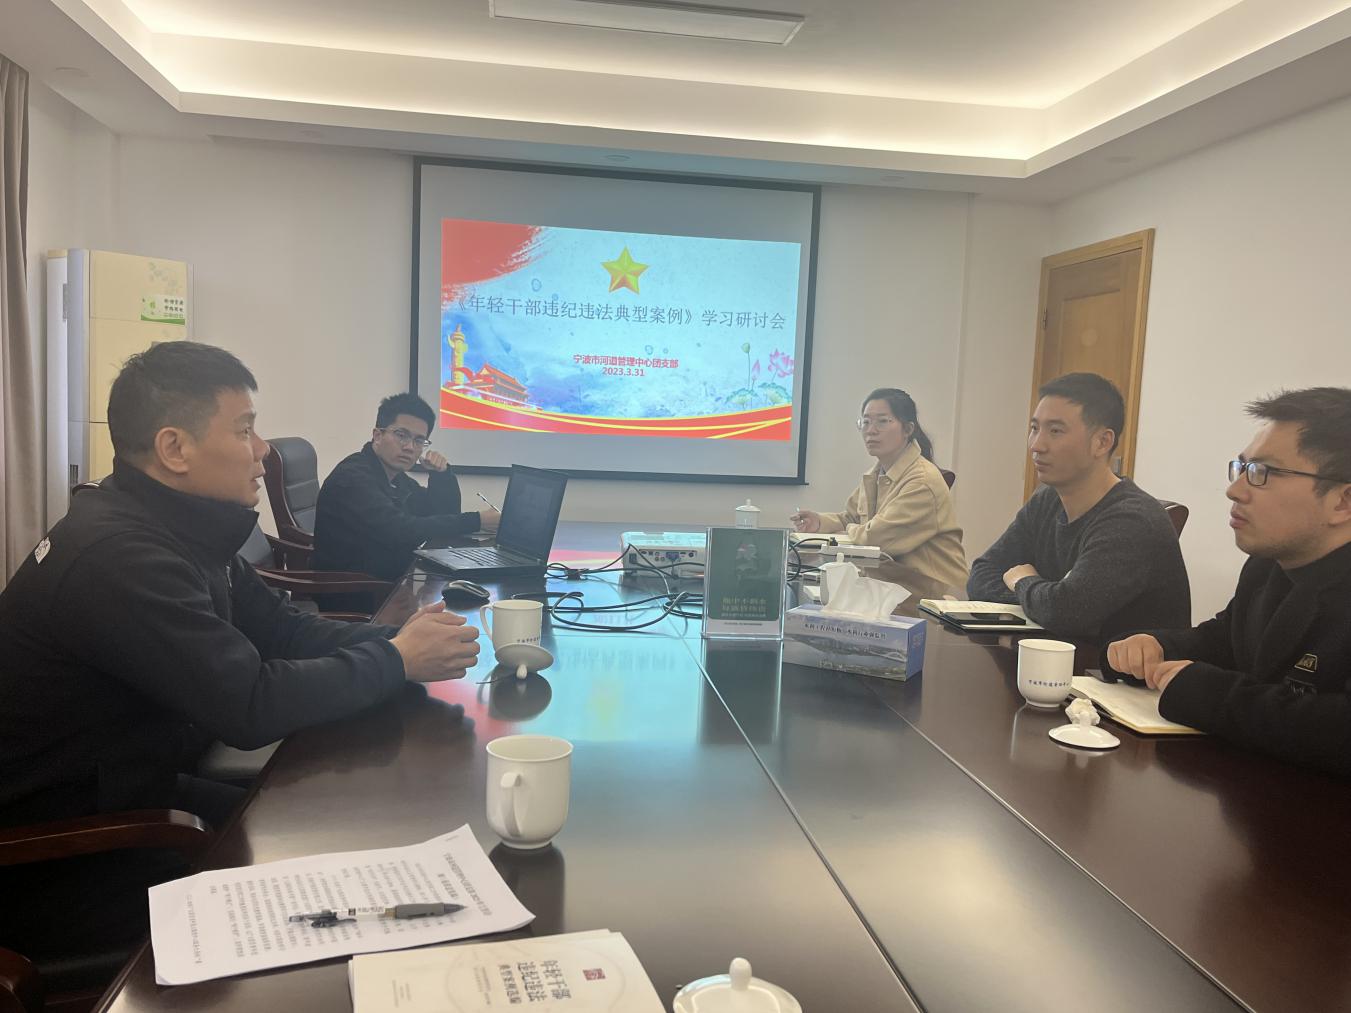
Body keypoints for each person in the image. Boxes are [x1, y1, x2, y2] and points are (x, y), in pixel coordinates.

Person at [0, 341, 479, 957]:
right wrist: (398, 660)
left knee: (337, 827)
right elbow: (248, 705)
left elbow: (283, 630)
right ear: (175, 449)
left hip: (134, 790)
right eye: (245, 430)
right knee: (330, 878)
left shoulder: (180, 527)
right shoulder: (121, 556)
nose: (264, 451)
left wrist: (403, 642)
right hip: (63, 854)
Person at [1105, 387, 1351, 777]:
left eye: (1263, 474)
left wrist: (1207, 693)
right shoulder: (1268, 565)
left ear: (1343, 501)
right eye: (1242, 467)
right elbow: (1226, 640)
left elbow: (1339, 731)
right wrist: (1157, 646)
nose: (1234, 490)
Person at [967, 372, 1190, 640]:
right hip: (1055, 656)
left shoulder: (1133, 520)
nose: (1036, 445)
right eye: (1035, 428)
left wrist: (1021, 581)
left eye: (1055, 431)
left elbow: (1065, 611)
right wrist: (1040, 598)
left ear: (1102, 442)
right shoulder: (1047, 499)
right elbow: (981, 573)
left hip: (1111, 665)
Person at [790, 388, 968, 597]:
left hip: (933, 598)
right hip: (893, 589)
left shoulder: (922, 481)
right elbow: (851, 518)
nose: (871, 430)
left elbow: (875, 539)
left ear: (908, 429)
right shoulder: (876, 474)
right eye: (865, 422)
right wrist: (820, 522)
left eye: (882, 421)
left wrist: (847, 531)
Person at [313, 392, 500, 581]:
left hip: (389, 580)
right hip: (356, 588)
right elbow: (401, 530)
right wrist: (478, 520)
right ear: (377, 435)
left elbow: (439, 513)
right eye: (401, 435)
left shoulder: (396, 477)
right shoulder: (352, 478)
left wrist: (441, 475)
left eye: (419, 440)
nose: (410, 447)